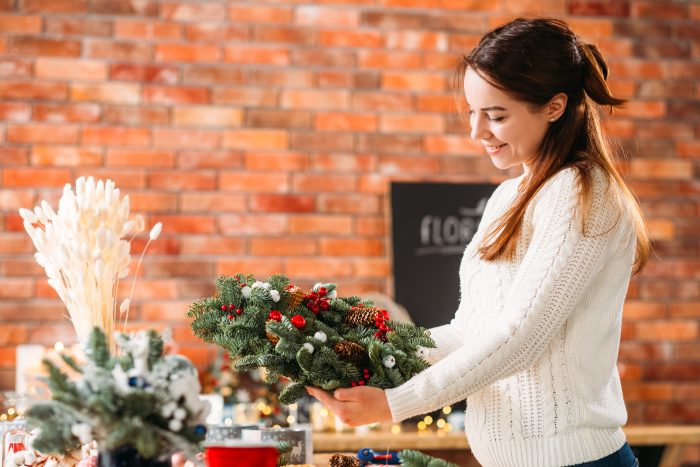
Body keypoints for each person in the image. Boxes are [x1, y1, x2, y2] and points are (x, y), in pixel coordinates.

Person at [307, 17, 650, 467]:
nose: (477, 131)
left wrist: (396, 403)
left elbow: (521, 339)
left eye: (496, 115)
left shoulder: (584, 191)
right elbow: (470, 331)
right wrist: (368, 355)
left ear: (554, 106)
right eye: (472, 111)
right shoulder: (508, 197)